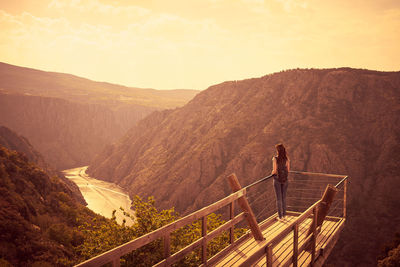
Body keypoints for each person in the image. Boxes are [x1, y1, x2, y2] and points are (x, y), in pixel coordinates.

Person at [271, 143, 290, 221]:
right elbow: (288, 170)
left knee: (278, 199)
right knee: (284, 198)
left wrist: (272, 173)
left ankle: (280, 216)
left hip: (277, 180)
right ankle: (285, 215)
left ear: (278, 151)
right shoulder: (287, 159)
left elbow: (274, 170)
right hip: (285, 180)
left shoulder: (275, 159)